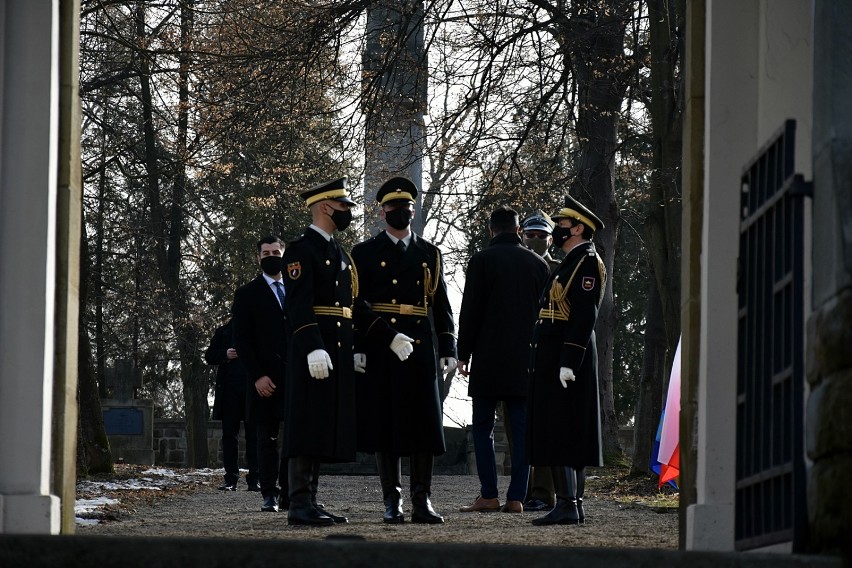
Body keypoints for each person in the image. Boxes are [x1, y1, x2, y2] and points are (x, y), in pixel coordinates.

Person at [351, 176, 458, 525]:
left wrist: (448, 346)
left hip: (420, 344)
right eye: (394, 207)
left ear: (414, 211)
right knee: (386, 425)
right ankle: (391, 500)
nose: (401, 212)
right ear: (383, 212)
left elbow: (441, 304)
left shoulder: (430, 253)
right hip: (382, 345)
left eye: (407, 207)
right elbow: (357, 304)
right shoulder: (364, 253)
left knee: (423, 425)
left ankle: (422, 500)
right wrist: (360, 347)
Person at [456, 205, 549, 514]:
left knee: (483, 427)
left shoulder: (482, 260)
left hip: (487, 358)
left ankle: (489, 494)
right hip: (525, 359)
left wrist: (463, 354)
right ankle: (516, 498)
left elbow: (471, 310)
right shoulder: (538, 264)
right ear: (518, 229)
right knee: (521, 431)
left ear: (490, 229)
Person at [281, 177, 358, 526]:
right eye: (344, 206)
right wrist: (312, 346)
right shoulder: (300, 249)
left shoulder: (338, 252)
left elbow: (349, 305)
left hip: (336, 348)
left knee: (322, 424)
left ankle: (311, 499)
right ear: (326, 206)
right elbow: (298, 305)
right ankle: (298, 503)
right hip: (313, 349)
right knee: (306, 422)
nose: (347, 212)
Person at [527, 194, 607, 526]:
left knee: (564, 428)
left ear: (577, 228)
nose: (557, 229)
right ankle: (570, 503)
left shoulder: (587, 261)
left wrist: (569, 360)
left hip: (567, 354)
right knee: (561, 426)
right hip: (555, 353)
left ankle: (568, 503)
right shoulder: (571, 262)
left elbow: (584, 314)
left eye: (561, 224)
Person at [231, 236, 290, 513]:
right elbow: (242, 340)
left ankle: (295, 494)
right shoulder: (247, 293)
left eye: (276, 252)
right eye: (265, 253)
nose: (271, 256)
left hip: (295, 378)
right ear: (258, 258)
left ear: (284, 254)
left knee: (296, 440)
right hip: (264, 380)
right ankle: (270, 493)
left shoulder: (298, 288)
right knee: (267, 440)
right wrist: (257, 376)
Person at [519, 211, 560, 512]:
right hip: (520, 355)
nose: (534, 240)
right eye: (530, 235)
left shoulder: (560, 270)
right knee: (521, 426)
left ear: (550, 238)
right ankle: (520, 490)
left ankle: (544, 491)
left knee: (546, 426)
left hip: (549, 354)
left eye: (540, 236)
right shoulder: (514, 268)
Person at [204, 319, 259, 493]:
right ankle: (231, 479)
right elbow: (209, 356)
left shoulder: (257, 329)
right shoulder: (223, 331)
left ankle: (254, 480)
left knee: (254, 437)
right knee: (229, 437)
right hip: (229, 392)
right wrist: (225, 354)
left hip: (253, 390)